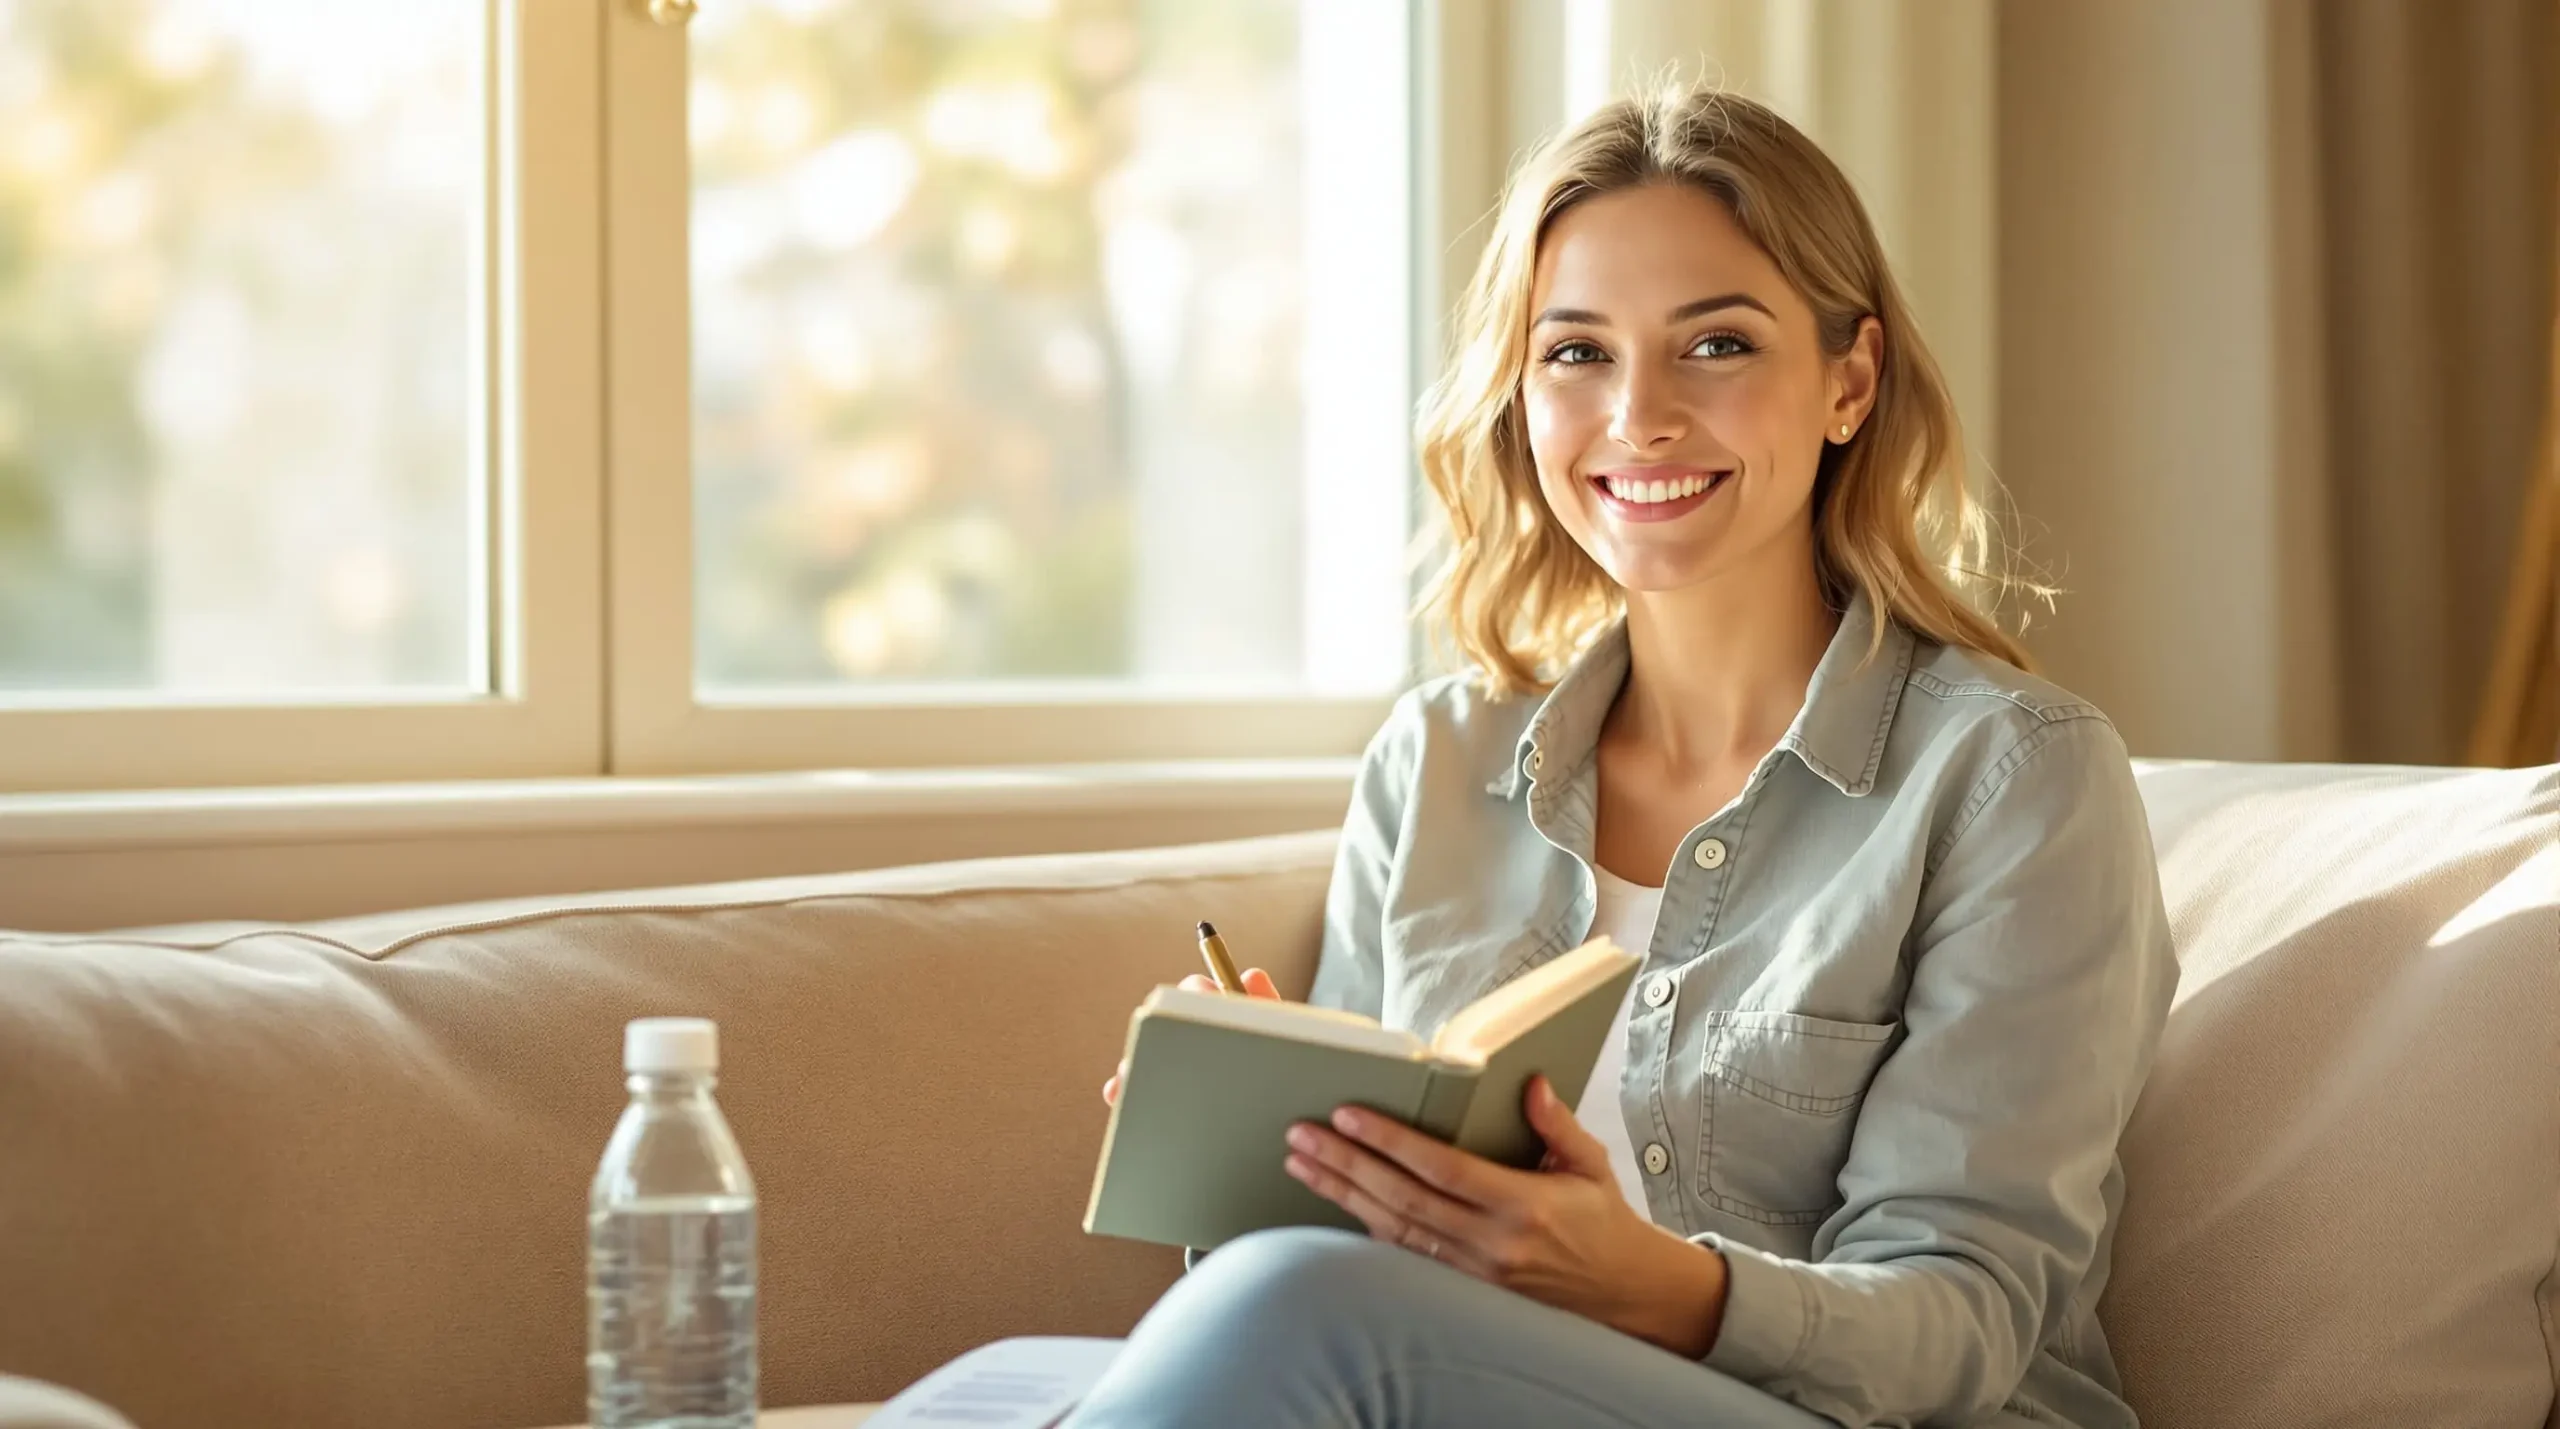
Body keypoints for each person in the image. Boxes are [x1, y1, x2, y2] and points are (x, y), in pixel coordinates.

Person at [1073, 82, 2177, 1429]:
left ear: (1850, 379)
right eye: (1577, 353)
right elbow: (1334, 1286)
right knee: (994, 1393)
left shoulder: (2016, 778)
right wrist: (1266, 1153)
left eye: (1715, 346)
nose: (1637, 416)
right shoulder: (1436, 759)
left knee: (1277, 1319)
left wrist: (1656, 1288)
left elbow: (1968, 1319)